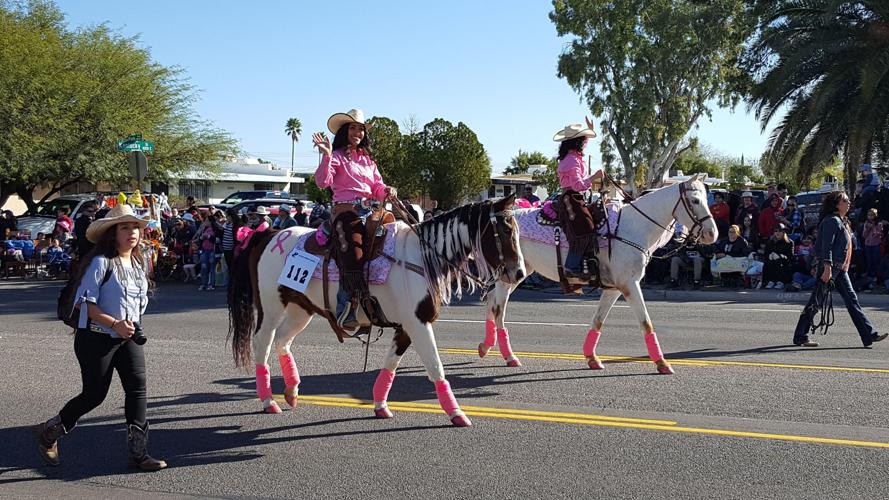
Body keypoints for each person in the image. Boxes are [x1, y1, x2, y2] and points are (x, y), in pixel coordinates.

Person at [32, 204, 165, 471]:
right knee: (94, 395)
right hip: (96, 337)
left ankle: (139, 454)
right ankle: (50, 432)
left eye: (135, 228)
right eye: (125, 228)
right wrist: (115, 323)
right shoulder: (100, 262)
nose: (132, 233)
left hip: (126, 337)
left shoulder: (139, 263)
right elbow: (84, 303)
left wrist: (129, 325)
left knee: (137, 391)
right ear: (112, 233)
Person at [311, 108, 397, 330]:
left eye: (360, 129)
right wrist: (327, 155)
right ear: (344, 131)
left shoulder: (368, 160)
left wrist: (386, 189)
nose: (357, 132)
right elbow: (322, 182)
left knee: (395, 236)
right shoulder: (337, 156)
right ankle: (346, 307)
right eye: (353, 128)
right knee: (354, 250)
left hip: (371, 211)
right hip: (346, 212)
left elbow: (376, 186)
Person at [792, 191, 888, 348]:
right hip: (831, 268)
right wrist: (827, 268)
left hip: (840, 270)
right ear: (837, 204)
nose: (849, 202)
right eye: (845, 200)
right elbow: (825, 246)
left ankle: (869, 334)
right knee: (816, 302)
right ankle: (800, 336)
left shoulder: (842, 221)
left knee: (852, 301)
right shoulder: (831, 221)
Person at [553, 117, 603, 277]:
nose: (584, 143)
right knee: (584, 228)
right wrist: (594, 176)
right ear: (576, 142)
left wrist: (590, 132)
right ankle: (571, 267)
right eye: (583, 139)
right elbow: (577, 185)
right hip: (571, 198)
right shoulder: (572, 161)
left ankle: (588, 263)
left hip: (574, 197)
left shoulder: (572, 157)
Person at [761, 223, 794, 289]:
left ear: (783, 232)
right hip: (772, 262)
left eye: (779, 231)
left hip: (784, 263)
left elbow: (791, 257)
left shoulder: (789, 242)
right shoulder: (770, 242)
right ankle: (771, 281)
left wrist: (780, 256)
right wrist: (769, 255)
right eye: (776, 231)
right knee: (768, 262)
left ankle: (780, 281)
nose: (777, 233)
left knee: (778, 261)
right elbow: (766, 253)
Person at [861, 208, 887, 283]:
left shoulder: (879, 224)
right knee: (869, 260)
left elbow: (881, 234)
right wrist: (867, 229)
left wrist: (874, 229)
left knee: (876, 260)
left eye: (872, 215)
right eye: (869, 215)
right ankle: (870, 274)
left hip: (876, 244)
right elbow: (864, 235)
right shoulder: (866, 223)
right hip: (868, 244)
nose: (870, 217)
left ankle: (877, 275)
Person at [195, 216, 219, 291]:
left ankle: (211, 284)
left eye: (207, 221)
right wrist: (202, 238)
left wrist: (208, 236)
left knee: (212, 268)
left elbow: (217, 240)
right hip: (204, 250)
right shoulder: (205, 229)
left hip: (212, 250)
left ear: (211, 222)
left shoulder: (216, 229)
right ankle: (203, 284)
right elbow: (200, 239)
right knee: (203, 268)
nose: (205, 222)